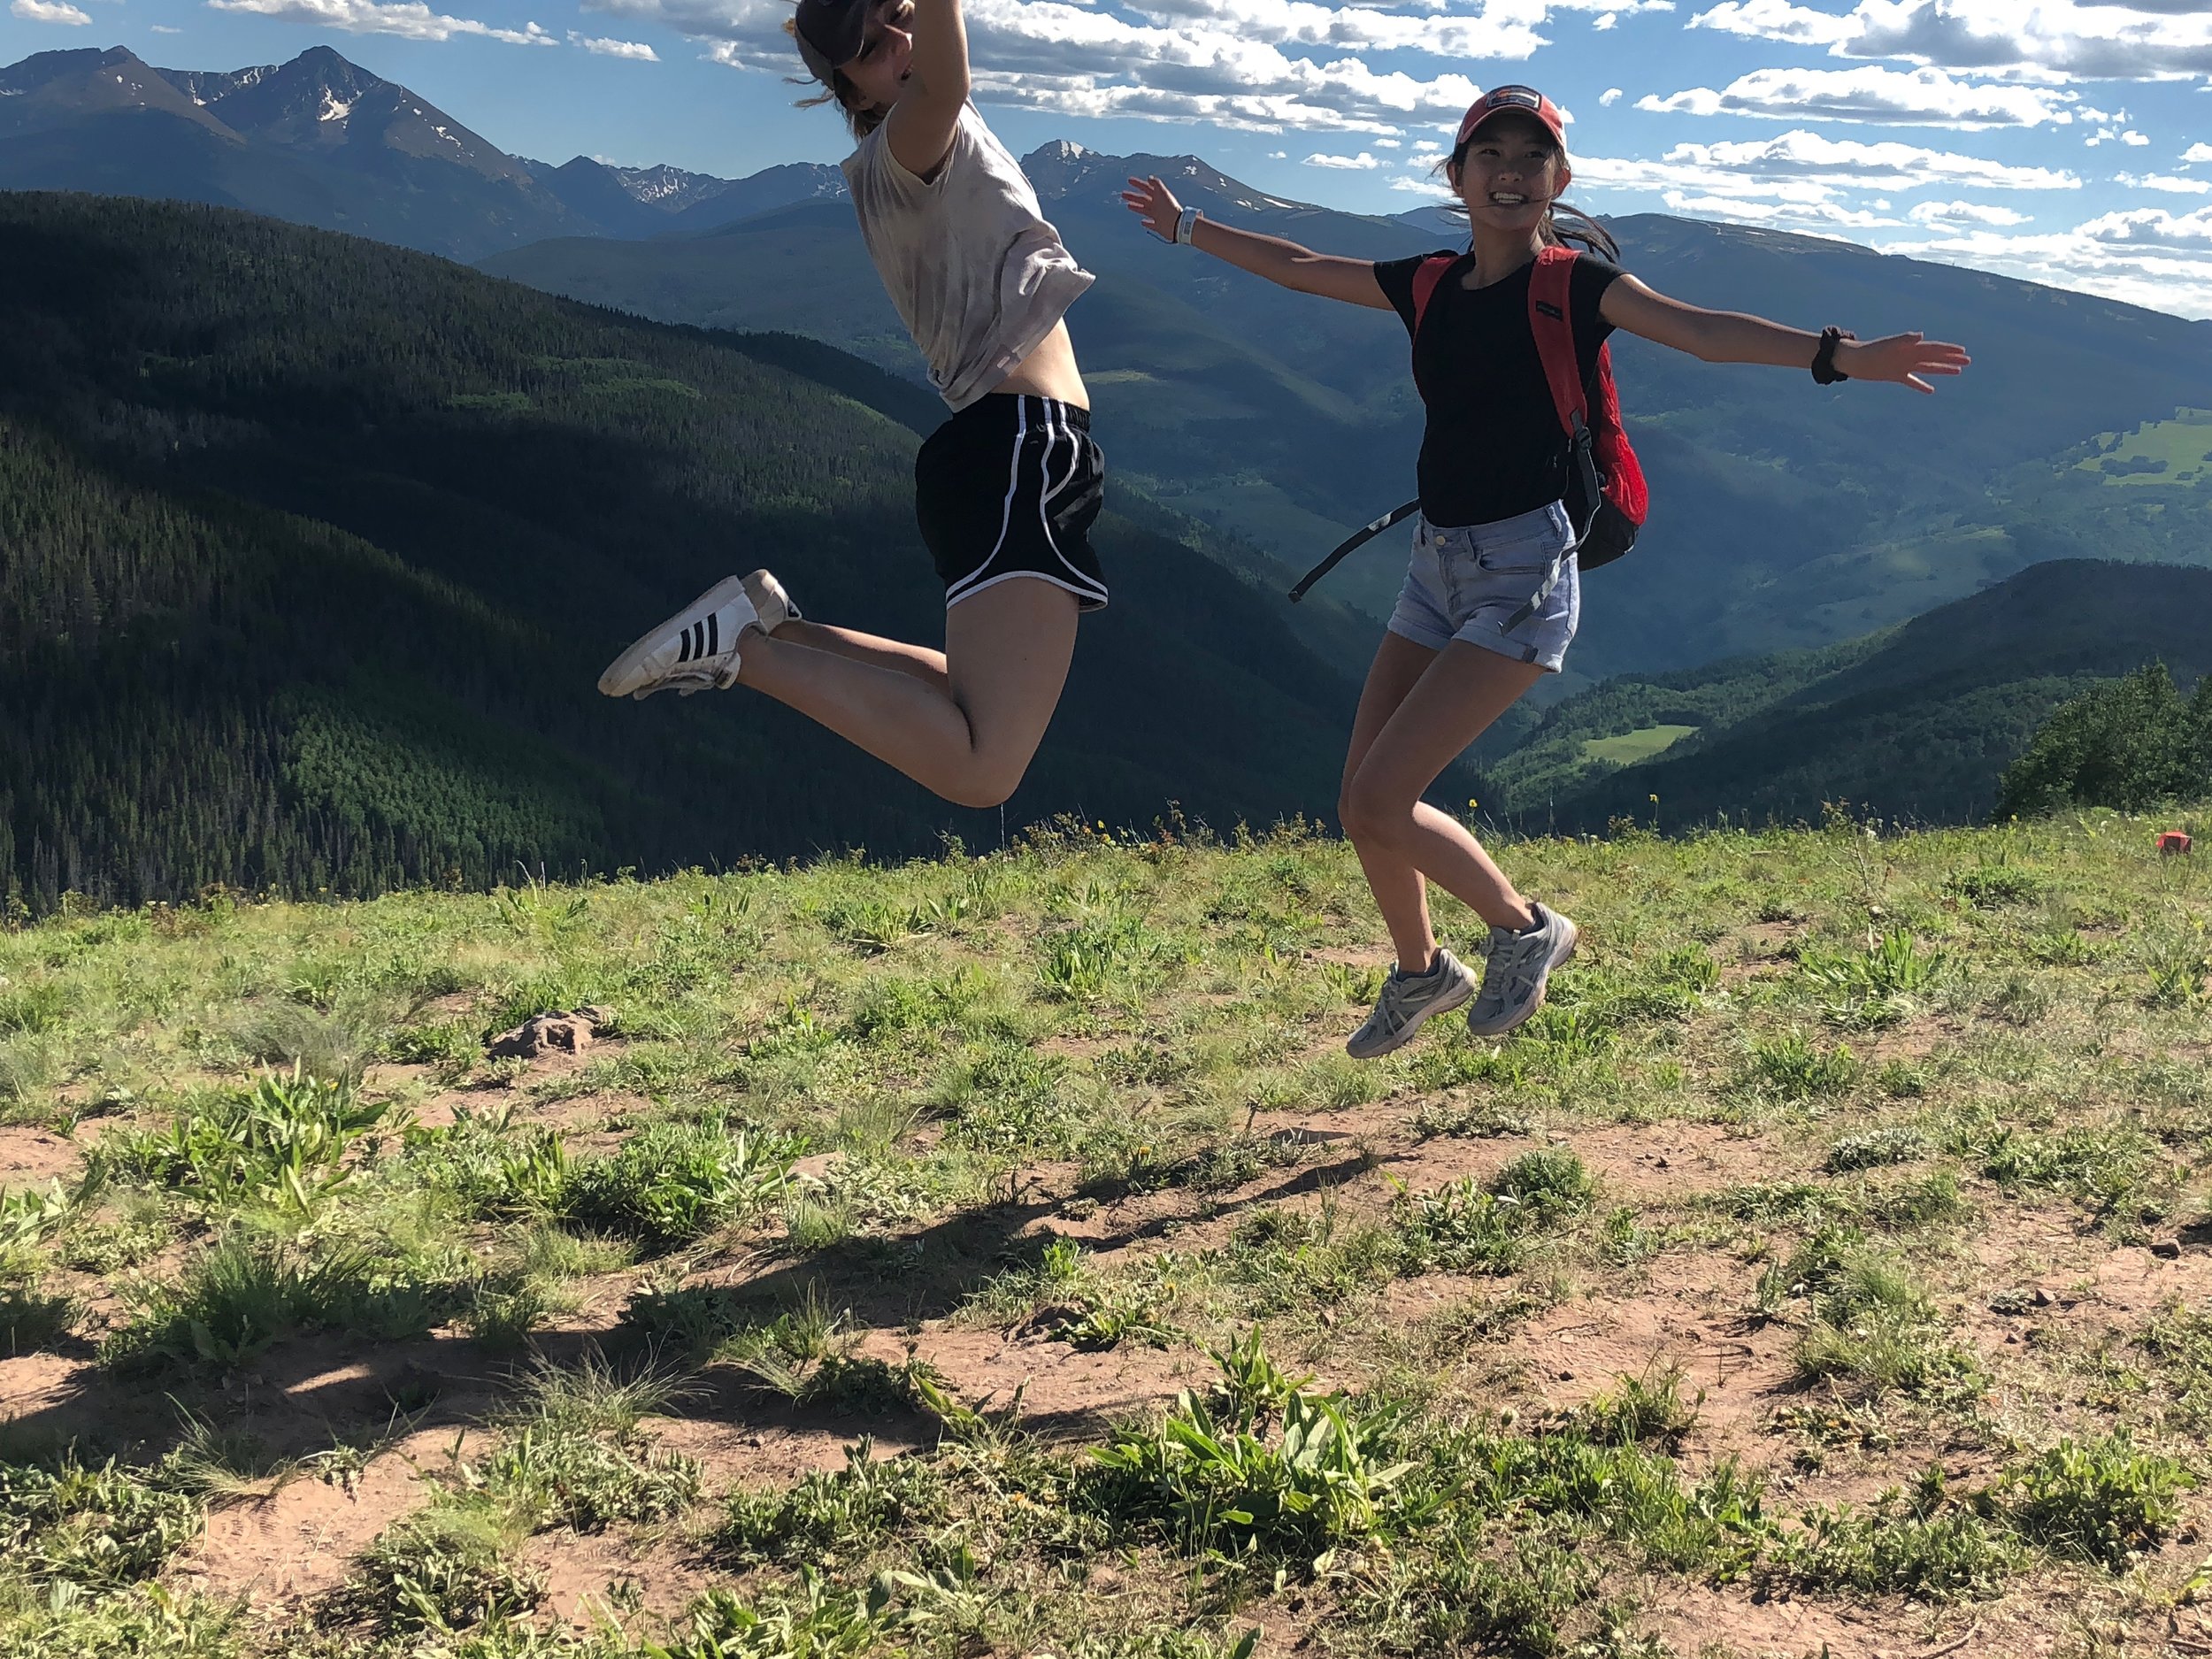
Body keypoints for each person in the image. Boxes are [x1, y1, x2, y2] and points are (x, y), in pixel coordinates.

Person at [1123, 85, 1969, 1056]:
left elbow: (1699, 330)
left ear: (1559, 184)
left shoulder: (1574, 287)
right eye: (1491, 156)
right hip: (1434, 563)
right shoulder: (1431, 283)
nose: (1512, 173)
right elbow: (1304, 267)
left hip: (1526, 569)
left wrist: (1836, 356)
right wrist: (1189, 227)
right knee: (1362, 795)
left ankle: (1525, 930)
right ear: (1456, 178)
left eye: (1533, 159)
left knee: (1375, 799)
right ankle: (1420, 972)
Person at [597, 0, 1105, 811]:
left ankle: (774, 627)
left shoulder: (901, 154)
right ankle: (744, 651)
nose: (900, 44)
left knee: (966, 695)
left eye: (902, 18)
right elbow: (944, 81)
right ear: (848, 85)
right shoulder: (913, 141)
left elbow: (944, 80)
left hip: (999, 449)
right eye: (873, 48)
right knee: (982, 766)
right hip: (1021, 445)